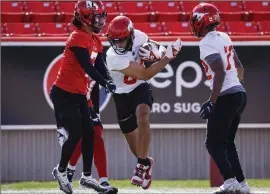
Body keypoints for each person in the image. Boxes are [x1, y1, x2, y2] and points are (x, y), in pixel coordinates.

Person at [105, 15, 182, 189]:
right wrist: (167, 58)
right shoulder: (112, 56)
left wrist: (161, 52)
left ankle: (140, 166)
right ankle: (146, 162)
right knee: (134, 142)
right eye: (114, 41)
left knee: (143, 114)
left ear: (131, 36)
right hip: (121, 94)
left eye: (122, 41)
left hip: (139, 88)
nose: (117, 45)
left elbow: (157, 47)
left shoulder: (139, 36)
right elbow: (146, 73)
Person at [50, 1, 116, 194]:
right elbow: (88, 67)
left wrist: (110, 80)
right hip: (64, 93)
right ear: (85, 18)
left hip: (78, 93)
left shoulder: (95, 40)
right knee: (76, 133)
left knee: (90, 133)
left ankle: (87, 177)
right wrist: (106, 83)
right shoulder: (77, 37)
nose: (101, 21)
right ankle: (61, 171)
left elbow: (102, 67)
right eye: (97, 17)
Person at [190, 3, 250, 194]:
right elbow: (239, 67)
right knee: (227, 142)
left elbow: (219, 72)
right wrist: (235, 86)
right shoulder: (224, 36)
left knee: (212, 143)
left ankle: (230, 180)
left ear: (200, 21)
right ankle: (242, 184)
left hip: (227, 96)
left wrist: (212, 101)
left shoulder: (206, 42)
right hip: (239, 93)